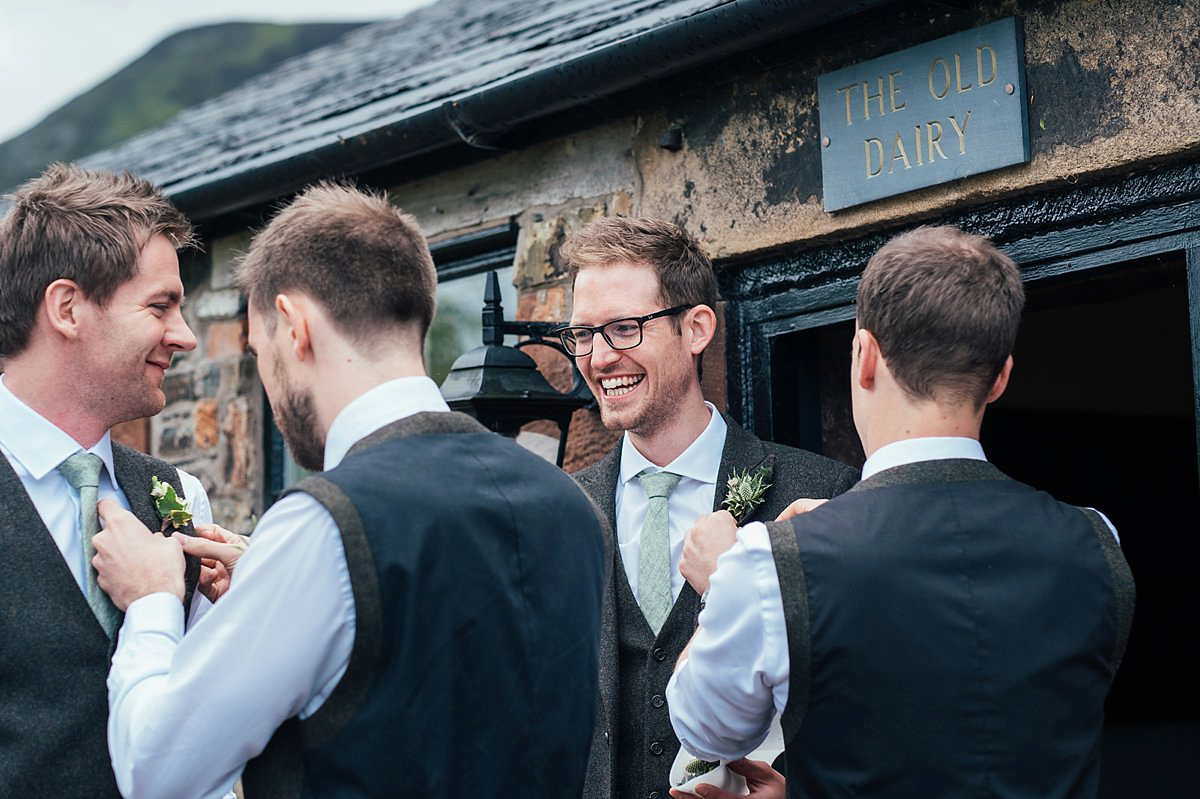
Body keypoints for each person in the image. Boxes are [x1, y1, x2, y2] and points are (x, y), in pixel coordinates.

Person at [91, 182, 609, 798]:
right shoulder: (572, 505)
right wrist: (270, 574)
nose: (269, 388)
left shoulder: (326, 525)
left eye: (259, 353)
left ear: (294, 325)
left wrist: (152, 598)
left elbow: (155, 769)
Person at [667, 226, 1135, 798]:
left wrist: (722, 581)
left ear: (864, 356)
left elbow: (704, 730)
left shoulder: (771, 561)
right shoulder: (1094, 538)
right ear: (1001, 379)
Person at [561, 217, 858, 799]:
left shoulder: (821, 491)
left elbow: (856, 702)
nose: (598, 358)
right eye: (582, 335)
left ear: (696, 329)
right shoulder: (560, 509)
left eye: (623, 328)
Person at [0, 163, 213, 798]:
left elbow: (199, 729)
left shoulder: (178, 497)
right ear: (67, 307)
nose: (186, 337)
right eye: (161, 306)